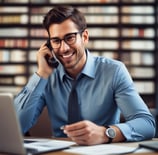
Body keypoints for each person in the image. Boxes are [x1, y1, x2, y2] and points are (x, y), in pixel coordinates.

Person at [14, 5, 156, 146]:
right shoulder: (46, 75)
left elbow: (147, 124)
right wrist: (41, 74)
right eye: (56, 41)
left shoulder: (114, 71)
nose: (64, 48)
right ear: (49, 44)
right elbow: (16, 127)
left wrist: (105, 133)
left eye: (70, 38)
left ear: (85, 37)